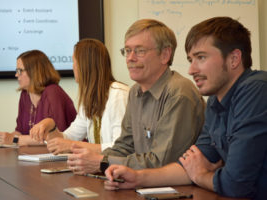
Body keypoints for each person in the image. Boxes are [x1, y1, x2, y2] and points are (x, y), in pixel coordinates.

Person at [104, 17, 267, 200]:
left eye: (201, 57)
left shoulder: (257, 89)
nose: (191, 70)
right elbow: (190, 165)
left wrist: (201, 176)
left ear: (234, 59)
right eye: (191, 59)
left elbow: (235, 184)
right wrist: (138, 178)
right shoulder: (215, 100)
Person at [62, 19, 205, 175]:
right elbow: (125, 147)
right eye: (127, 50)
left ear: (165, 54)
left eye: (140, 51)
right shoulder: (135, 92)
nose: (130, 58)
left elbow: (162, 162)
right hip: (142, 184)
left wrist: (102, 162)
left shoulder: (179, 93)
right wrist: (93, 160)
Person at [29, 39, 129, 154]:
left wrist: (72, 145)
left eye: (74, 62)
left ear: (85, 65)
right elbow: (68, 138)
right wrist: (51, 125)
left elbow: (120, 148)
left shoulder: (119, 94)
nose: (73, 67)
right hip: (98, 168)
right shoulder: (90, 98)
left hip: (115, 169)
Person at [0, 50, 77, 146]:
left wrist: (14, 139)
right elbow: (20, 132)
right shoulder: (25, 94)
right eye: (16, 71)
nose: (16, 75)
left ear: (34, 71)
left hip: (69, 154)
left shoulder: (53, 92)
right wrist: (3, 137)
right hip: (36, 156)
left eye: (20, 71)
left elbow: (54, 138)